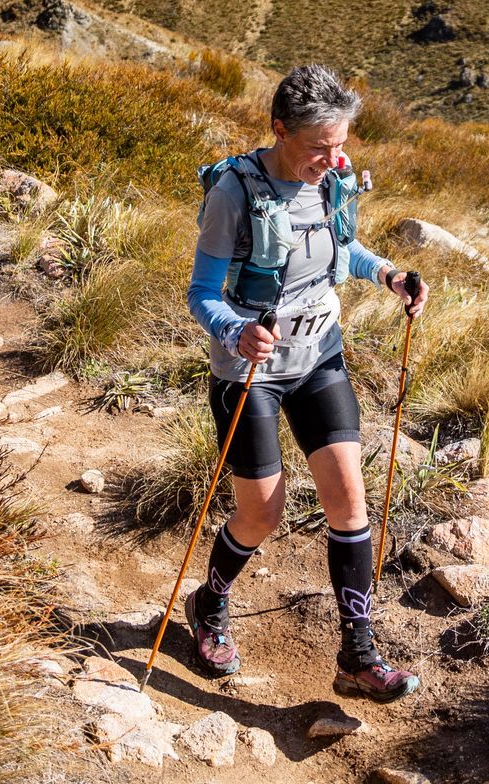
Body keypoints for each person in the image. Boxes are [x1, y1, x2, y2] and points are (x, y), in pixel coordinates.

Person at [184, 64, 430, 701]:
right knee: (262, 512)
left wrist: (389, 275)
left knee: (349, 502)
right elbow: (202, 292)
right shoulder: (234, 193)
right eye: (319, 146)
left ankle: (358, 655)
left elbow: (343, 250)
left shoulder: (334, 179)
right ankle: (209, 603)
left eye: (340, 143)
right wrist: (235, 330)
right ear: (279, 129)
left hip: (320, 356)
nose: (333, 158)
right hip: (250, 371)